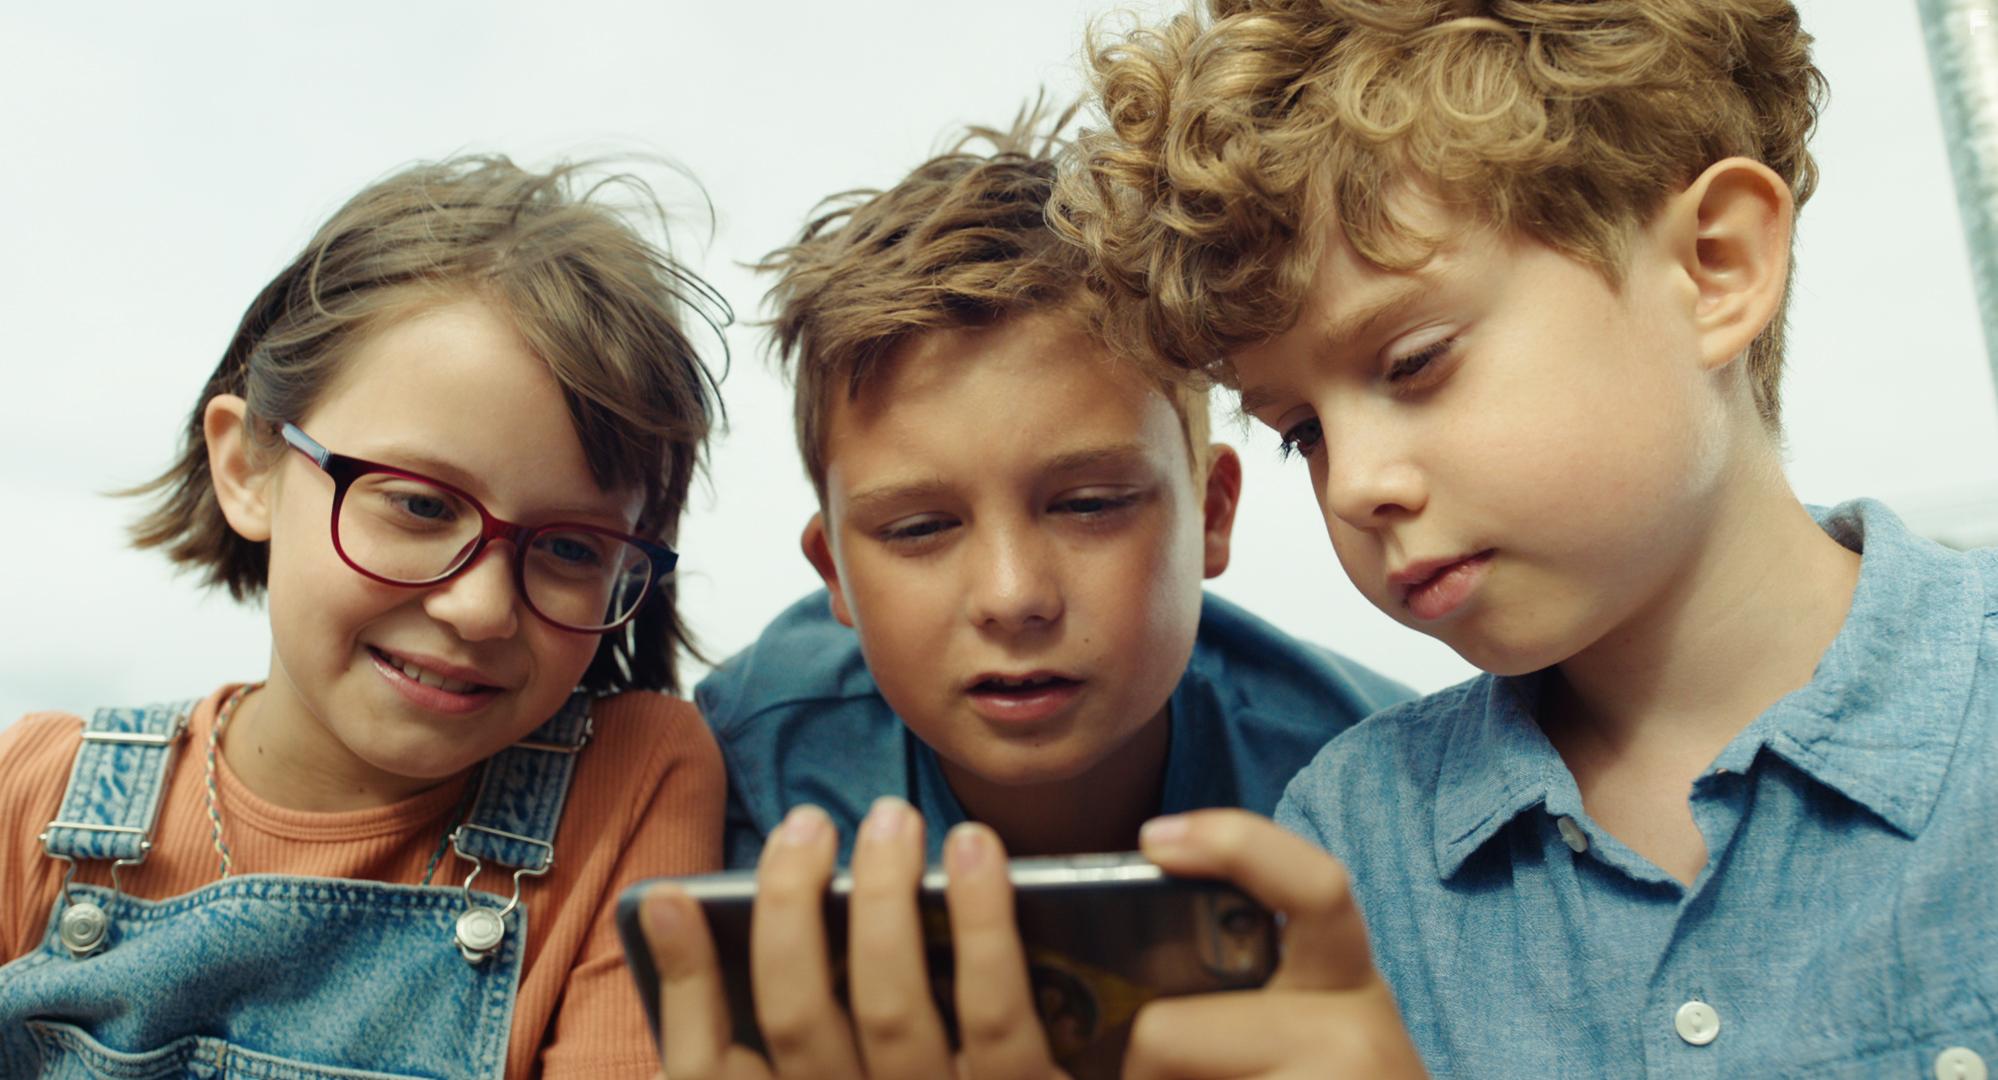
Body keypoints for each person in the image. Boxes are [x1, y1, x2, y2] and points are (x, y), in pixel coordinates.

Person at [1041, 0, 1998, 1075]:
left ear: (1717, 268)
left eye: (1415, 362)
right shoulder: (1353, 843)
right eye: (1302, 433)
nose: (1355, 487)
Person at [640, 108, 1410, 1078]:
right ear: (835, 571)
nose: (1012, 597)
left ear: (1212, 514)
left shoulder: (1377, 790)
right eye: (919, 528)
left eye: (1089, 504)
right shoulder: (743, 760)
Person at [0, 156, 729, 1079]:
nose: (481, 608)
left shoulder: (632, 784)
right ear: (249, 466)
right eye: (421, 506)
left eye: (572, 548)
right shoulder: (36, 794)